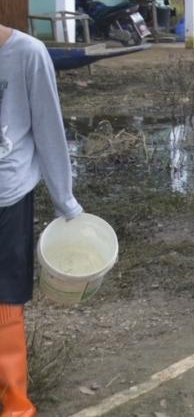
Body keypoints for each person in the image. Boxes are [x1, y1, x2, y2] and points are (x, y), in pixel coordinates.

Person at [1, 21, 82, 416]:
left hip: (7, 197)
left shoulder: (27, 54)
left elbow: (48, 129)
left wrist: (65, 201)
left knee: (5, 303)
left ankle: (15, 404)